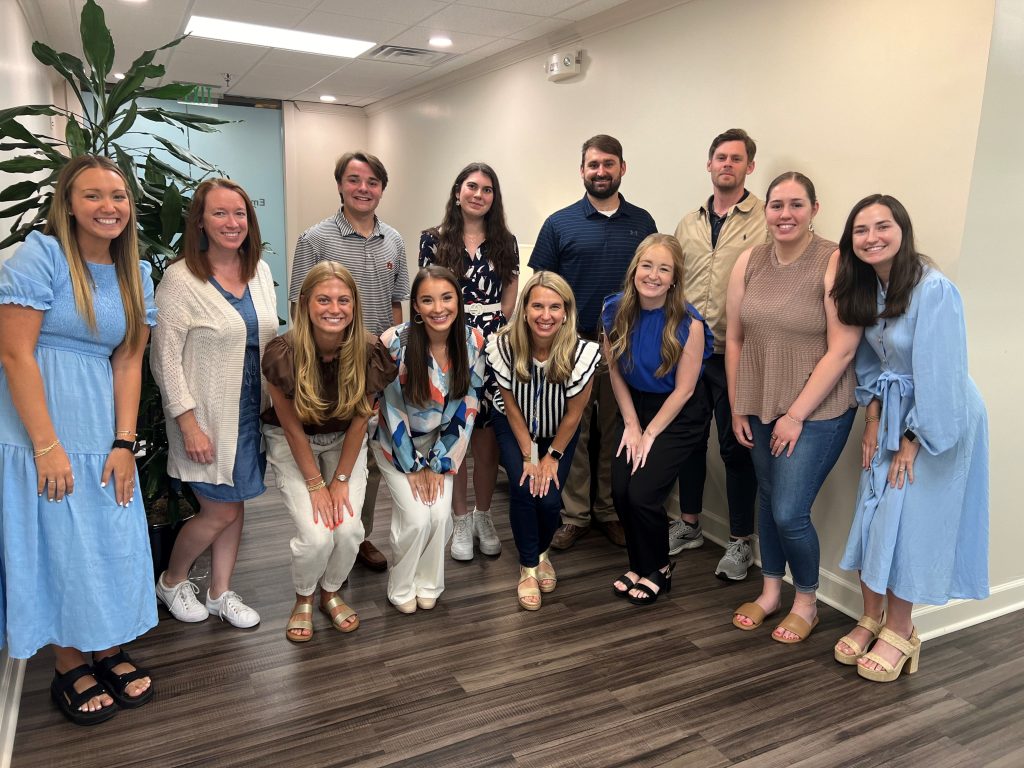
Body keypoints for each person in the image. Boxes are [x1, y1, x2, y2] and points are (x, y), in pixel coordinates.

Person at [0, 155, 156, 724]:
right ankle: (69, 661)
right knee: (59, 541)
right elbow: (14, 354)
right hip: (38, 427)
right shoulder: (39, 257)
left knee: (108, 534)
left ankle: (107, 647)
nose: (108, 207)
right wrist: (46, 445)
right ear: (67, 204)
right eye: (92, 195)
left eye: (118, 196)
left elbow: (130, 360)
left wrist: (124, 442)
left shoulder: (136, 271)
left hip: (103, 426)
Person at [830, 194, 988, 681]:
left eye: (883, 226)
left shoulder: (933, 290)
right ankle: (871, 617)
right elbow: (872, 365)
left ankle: (902, 630)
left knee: (911, 523)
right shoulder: (868, 289)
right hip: (890, 414)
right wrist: (873, 422)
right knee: (873, 515)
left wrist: (913, 438)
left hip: (938, 419)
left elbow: (943, 374)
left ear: (902, 230)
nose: (872, 237)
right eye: (861, 230)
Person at [726, 172, 861, 642]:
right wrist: (738, 405)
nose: (785, 214)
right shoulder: (749, 261)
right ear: (765, 210)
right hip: (761, 404)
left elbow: (843, 348)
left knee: (789, 511)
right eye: (777, 205)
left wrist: (796, 415)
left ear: (814, 210)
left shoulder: (834, 260)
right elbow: (735, 339)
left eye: (796, 205)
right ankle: (770, 593)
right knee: (767, 496)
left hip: (818, 410)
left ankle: (806, 601)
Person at [152, 179, 278, 629]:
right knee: (218, 510)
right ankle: (171, 580)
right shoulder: (181, 279)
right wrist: (188, 425)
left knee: (235, 504)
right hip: (204, 418)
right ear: (200, 222)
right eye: (220, 213)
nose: (232, 222)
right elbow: (164, 360)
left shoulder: (258, 271)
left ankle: (220, 591)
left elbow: (270, 341)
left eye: (239, 213)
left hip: (250, 413)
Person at [529, 134, 658, 550]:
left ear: (622, 168)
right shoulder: (559, 223)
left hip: (624, 344)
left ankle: (608, 510)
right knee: (575, 431)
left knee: (617, 430)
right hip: (572, 343)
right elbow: (541, 288)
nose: (600, 172)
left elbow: (653, 281)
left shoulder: (643, 223)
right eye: (593, 165)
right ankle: (575, 515)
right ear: (582, 170)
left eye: (608, 164)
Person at [261, 263, 397, 641]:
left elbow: (360, 420)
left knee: (350, 529)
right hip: (293, 441)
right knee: (316, 535)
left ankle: (330, 592)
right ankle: (304, 596)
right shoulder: (283, 353)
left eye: (343, 300)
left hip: (343, 439)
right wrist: (315, 484)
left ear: (354, 305)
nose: (334, 309)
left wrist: (340, 479)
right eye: (323, 300)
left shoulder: (370, 350)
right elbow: (290, 427)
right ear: (305, 303)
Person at [289, 151, 410, 573]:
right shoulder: (315, 239)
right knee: (332, 448)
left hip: (376, 368)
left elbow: (396, 304)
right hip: (330, 367)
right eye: (355, 180)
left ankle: (357, 536)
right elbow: (298, 304)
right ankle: (324, 533)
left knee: (371, 459)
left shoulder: (394, 240)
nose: (363, 188)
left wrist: (394, 357)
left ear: (382, 189)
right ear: (340, 185)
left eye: (373, 181)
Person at [671, 129, 765, 579]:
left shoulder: (766, 220)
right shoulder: (688, 223)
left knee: (736, 448)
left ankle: (740, 540)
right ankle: (690, 524)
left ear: (750, 166)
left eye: (736, 158)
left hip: (737, 353)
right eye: (720, 157)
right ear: (709, 164)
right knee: (688, 441)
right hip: (690, 351)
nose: (727, 164)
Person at [604, 235, 713, 605]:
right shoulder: (613, 310)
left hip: (678, 413)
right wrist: (632, 425)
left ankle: (660, 568)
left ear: (674, 279)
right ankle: (639, 565)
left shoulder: (689, 323)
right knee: (621, 490)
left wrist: (649, 433)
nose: (653, 275)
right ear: (635, 269)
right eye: (647, 265)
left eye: (663, 269)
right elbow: (615, 371)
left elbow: (684, 390)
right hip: (634, 406)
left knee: (643, 493)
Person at [419, 162, 519, 562]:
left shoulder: (505, 241)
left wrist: (497, 329)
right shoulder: (433, 239)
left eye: (487, 189)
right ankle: (459, 518)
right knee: (456, 432)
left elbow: (510, 290)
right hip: (451, 343)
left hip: (493, 345)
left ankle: (483, 515)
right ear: (458, 192)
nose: (479, 195)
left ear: (494, 197)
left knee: (487, 437)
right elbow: (428, 293)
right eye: (472, 187)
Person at [373, 266, 486, 613]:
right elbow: (391, 409)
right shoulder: (394, 342)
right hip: (396, 443)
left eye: (446, 298)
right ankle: (401, 584)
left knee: (439, 517)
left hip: (443, 445)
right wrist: (414, 466)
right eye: (427, 300)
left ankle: (429, 582)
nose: (439, 308)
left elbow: (467, 407)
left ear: (458, 301)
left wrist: (437, 464)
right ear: (416, 306)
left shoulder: (473, 341)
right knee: (416, 518)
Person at [487, 272, 600, 610]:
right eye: (537, 306)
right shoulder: (504, 345)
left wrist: (550, 456)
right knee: (524, 489)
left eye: (554, 307)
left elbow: (574, 415)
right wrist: (528, 456)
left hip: (559, 432)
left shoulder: (582, 353)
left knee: (550, 500)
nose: (545, 315)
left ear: (566, 313)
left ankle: (541, 553)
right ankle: (528, 568)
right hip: (513, 425)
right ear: (524, 310)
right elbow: (510, 406)